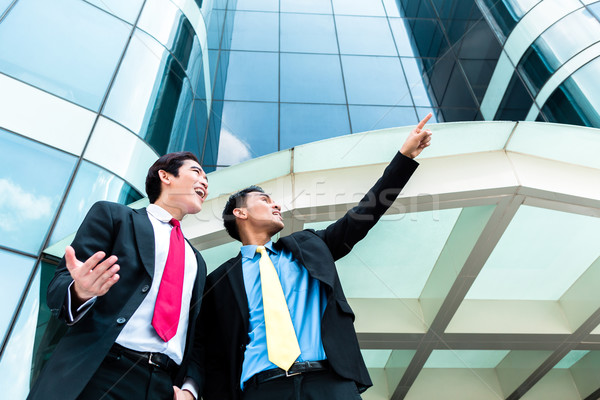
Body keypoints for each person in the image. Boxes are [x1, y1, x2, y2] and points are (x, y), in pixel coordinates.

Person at [197, 114, 433, 399]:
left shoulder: (308, 245)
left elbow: (361, 216)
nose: (276, 206)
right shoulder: (218, 281)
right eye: (265, 201)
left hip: (331, 383)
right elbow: (207, 351)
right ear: (240, 213)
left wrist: (404, 158)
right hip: (262, 390)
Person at [28, 152, 209, 400]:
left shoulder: (197, 261)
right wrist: (81, 291)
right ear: (165, 176)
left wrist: (190, 389)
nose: (205, 182)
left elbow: (196, 335)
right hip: (101, 372)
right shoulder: (115, 217)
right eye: (197, 172)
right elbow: (59, 285)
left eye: (207, 177)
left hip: (162, 387)